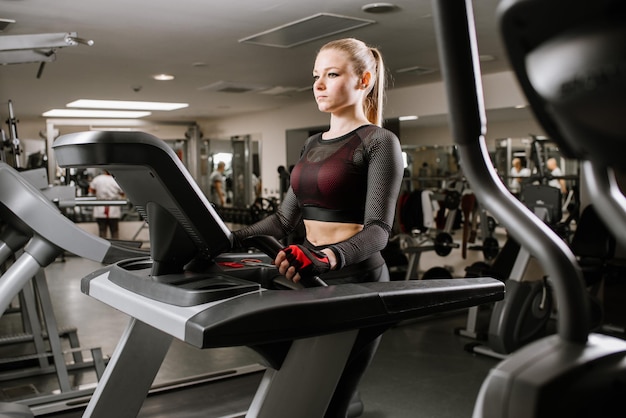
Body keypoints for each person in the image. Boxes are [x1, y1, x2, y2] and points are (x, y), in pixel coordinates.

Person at [232, 38, 403, 417]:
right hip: (309, 277)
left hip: (357, 280)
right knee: (298, 378)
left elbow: (378, 230)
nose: (319, 84)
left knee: (330, 397)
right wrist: (226, 238)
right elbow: (281, 220)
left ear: (364, 81)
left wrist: (327, 258)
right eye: (315, 76)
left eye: (332, 74)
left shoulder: (378, 142)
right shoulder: (311, 144)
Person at [89, 170, 125, 240]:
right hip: (113, 208)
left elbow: (91, 191)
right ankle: (116, 248)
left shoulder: (97, 179)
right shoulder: (117, 180)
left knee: (102, 232)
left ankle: (102, 249)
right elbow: (123, 193)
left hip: (100, 208)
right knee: (114, 232)